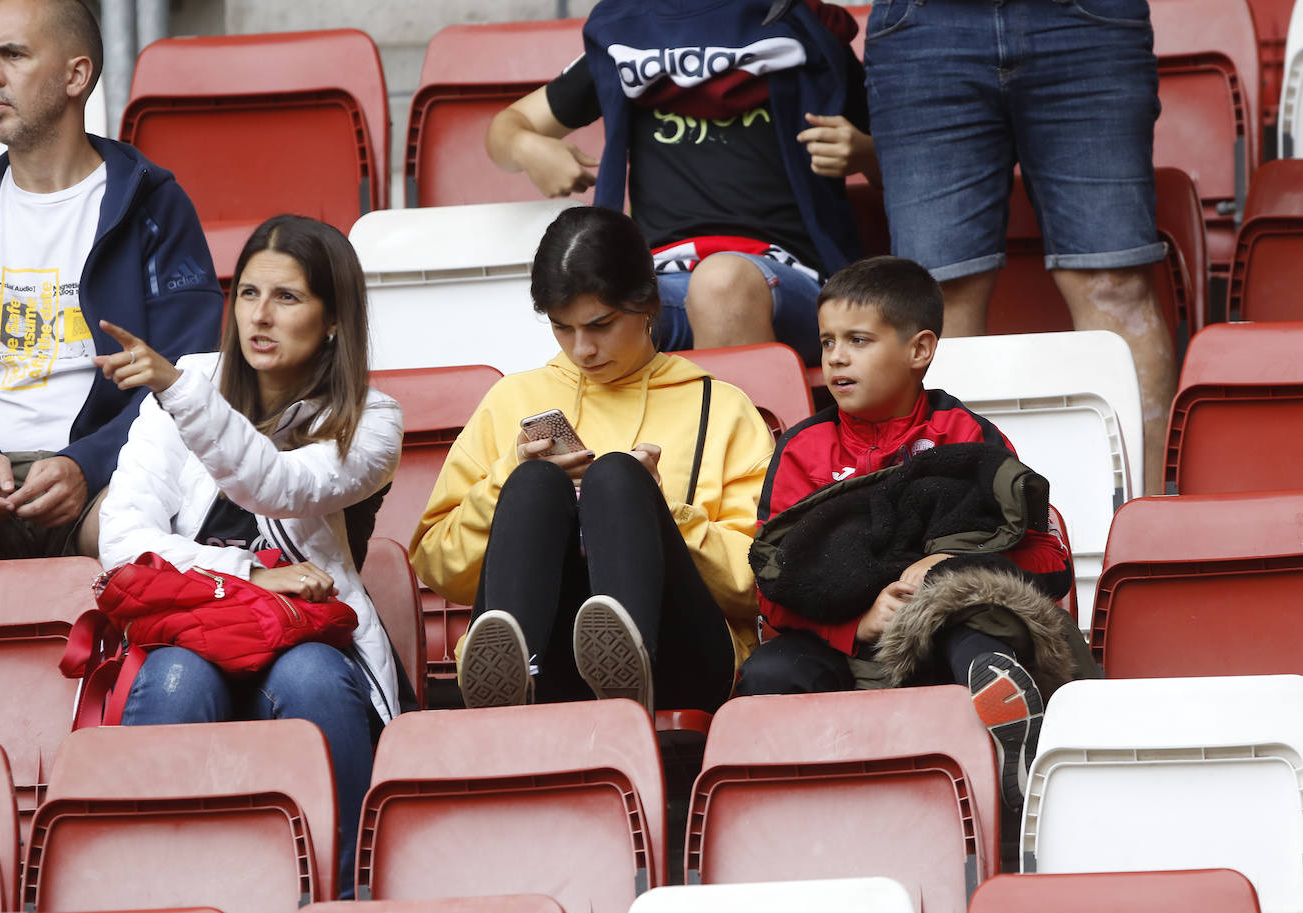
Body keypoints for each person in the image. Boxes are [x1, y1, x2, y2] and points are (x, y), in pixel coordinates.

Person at [97, 214, 403, 896]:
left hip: (304, 639)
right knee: (178, 680)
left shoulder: (371, 420)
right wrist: (252, 573)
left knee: (315, 680)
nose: (260, 317)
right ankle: (155, 898)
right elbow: (122, 538)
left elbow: (280, 484)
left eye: (287, 298)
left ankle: (348, 892)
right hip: (190, 628)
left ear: (332, 320)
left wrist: (182, 395)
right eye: (247, 294)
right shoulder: (189, 383)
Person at [738, 256, 1098, 810]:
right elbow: (772, 584)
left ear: (919, 350)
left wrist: (947, 572)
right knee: (771, 670)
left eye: (858, 340)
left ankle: (1011, 764)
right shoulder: (801, 450)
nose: (835, 357)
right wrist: (858, 624)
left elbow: (1046, 559)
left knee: (973, 643)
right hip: (844, 648)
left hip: (948, 640)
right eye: (827, 340)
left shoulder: (970, 436)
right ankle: (815, 808)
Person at [409, 206, 775, 714]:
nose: (582, 349)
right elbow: (437, 565)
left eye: (600, 325)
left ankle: (629, 668)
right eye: (562, 328)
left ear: (647, 304)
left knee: (617, 477)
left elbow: (765, 582)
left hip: (681, 658)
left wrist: (664, 514)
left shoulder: (721, 408)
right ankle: (518, 679)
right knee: (533, 480)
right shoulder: (512, 400)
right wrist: (504, 483)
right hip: (547, 651)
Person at [0, 0, 222, 563]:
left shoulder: (152, 205)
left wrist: (85, 464)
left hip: (102, 481)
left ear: (76, 76)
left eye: (12, 54)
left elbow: (189, 379)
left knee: (140, 536)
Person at [862, 0, 1176, 492]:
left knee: (1114, 286)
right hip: (922, 24)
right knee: (939, 299)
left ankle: (1148, 521)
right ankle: (958, 533)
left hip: (1086, 19)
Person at [485, 0, 878, 367]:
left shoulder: (808, 33)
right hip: (662, 281)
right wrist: (527, 147)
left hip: (794, 282)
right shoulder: (629, 39)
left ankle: (739, 443)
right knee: (597, 313)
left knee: (720, 283)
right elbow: (505, 129)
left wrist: (864, 153)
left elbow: (902, 175)